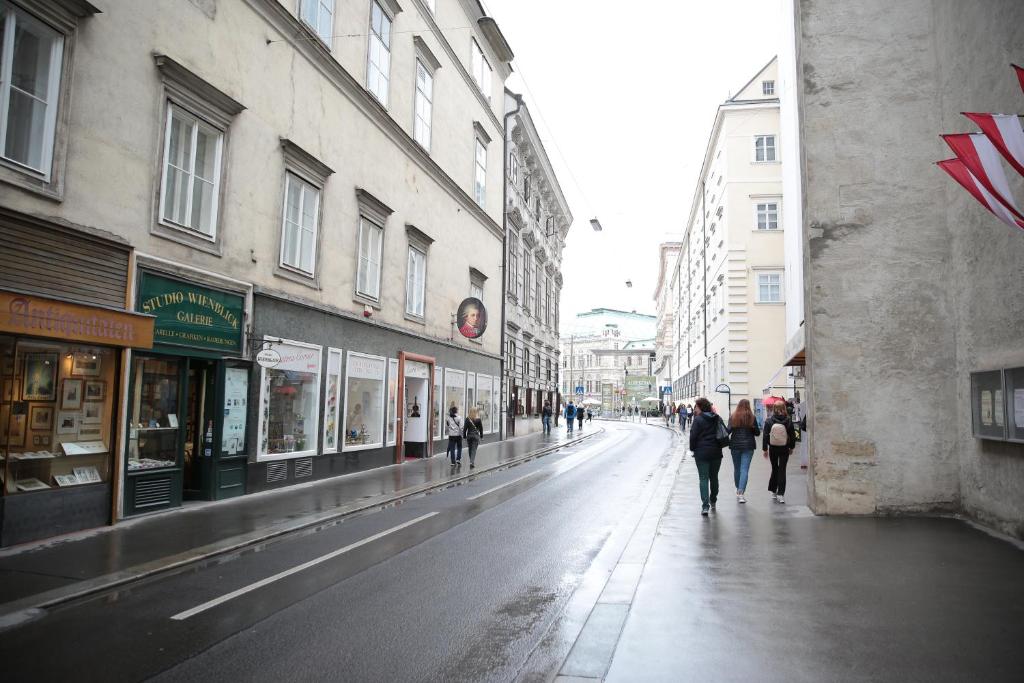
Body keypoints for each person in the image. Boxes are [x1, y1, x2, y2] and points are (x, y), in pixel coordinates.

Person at [689, 397, 725, 516]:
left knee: (703, 479)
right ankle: (713, 499)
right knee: (714, 477)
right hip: (716, 452)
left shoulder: (698, 420)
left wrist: (692, 449)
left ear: (701, 407)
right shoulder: (717, 417)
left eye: (697, 407)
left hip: (702, 453)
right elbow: (724, 431)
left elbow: (693, 436)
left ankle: (705, 506)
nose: (695, 409)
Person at [762, 401, 797, 504]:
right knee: (782, 470)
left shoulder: (769, 421)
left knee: (775, 468)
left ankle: (773, 491)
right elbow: (792, 435)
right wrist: (791, 447)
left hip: (773, 448)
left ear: (774, 409)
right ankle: (781, 494)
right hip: (784, 448)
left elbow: (765, 435)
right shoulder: (788, 420)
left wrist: (765, 449)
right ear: (784, 408)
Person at [727, 399, 760, 504]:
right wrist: (752, 427)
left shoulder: (733, 416)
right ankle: (741, 493)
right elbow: (757, 433)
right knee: (744, 469)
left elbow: (728, 431)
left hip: (735, 446)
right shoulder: (752, 417)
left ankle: (738, 489)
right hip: (748, 446)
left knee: (737, 469)